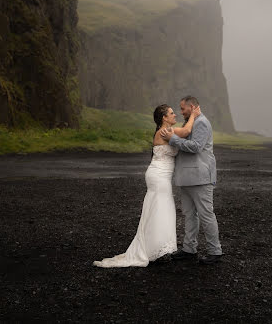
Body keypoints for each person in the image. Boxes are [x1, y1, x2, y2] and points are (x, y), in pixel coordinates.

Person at [93, 104, 200, 267]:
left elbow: (183, 135)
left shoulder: (166, 131)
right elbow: (185, 132)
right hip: (158, 176)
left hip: (159, 175)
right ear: (164, 118)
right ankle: (156, 248)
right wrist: (194, 115)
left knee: (160, 209)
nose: (174, 115)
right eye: (171, 113)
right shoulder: (165, 132)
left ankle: (158, 247)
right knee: (161, 209)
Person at [160, 96, 222, 265]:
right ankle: (189, 250)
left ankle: (215, 251)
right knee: (189, 215)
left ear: (192, 106)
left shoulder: (201, 122)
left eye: (183, 109)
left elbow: (196, 146)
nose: (181, 112)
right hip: (187, 178)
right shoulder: (191, 122)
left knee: (206, 215)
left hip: (200, 178)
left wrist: (172, 140)